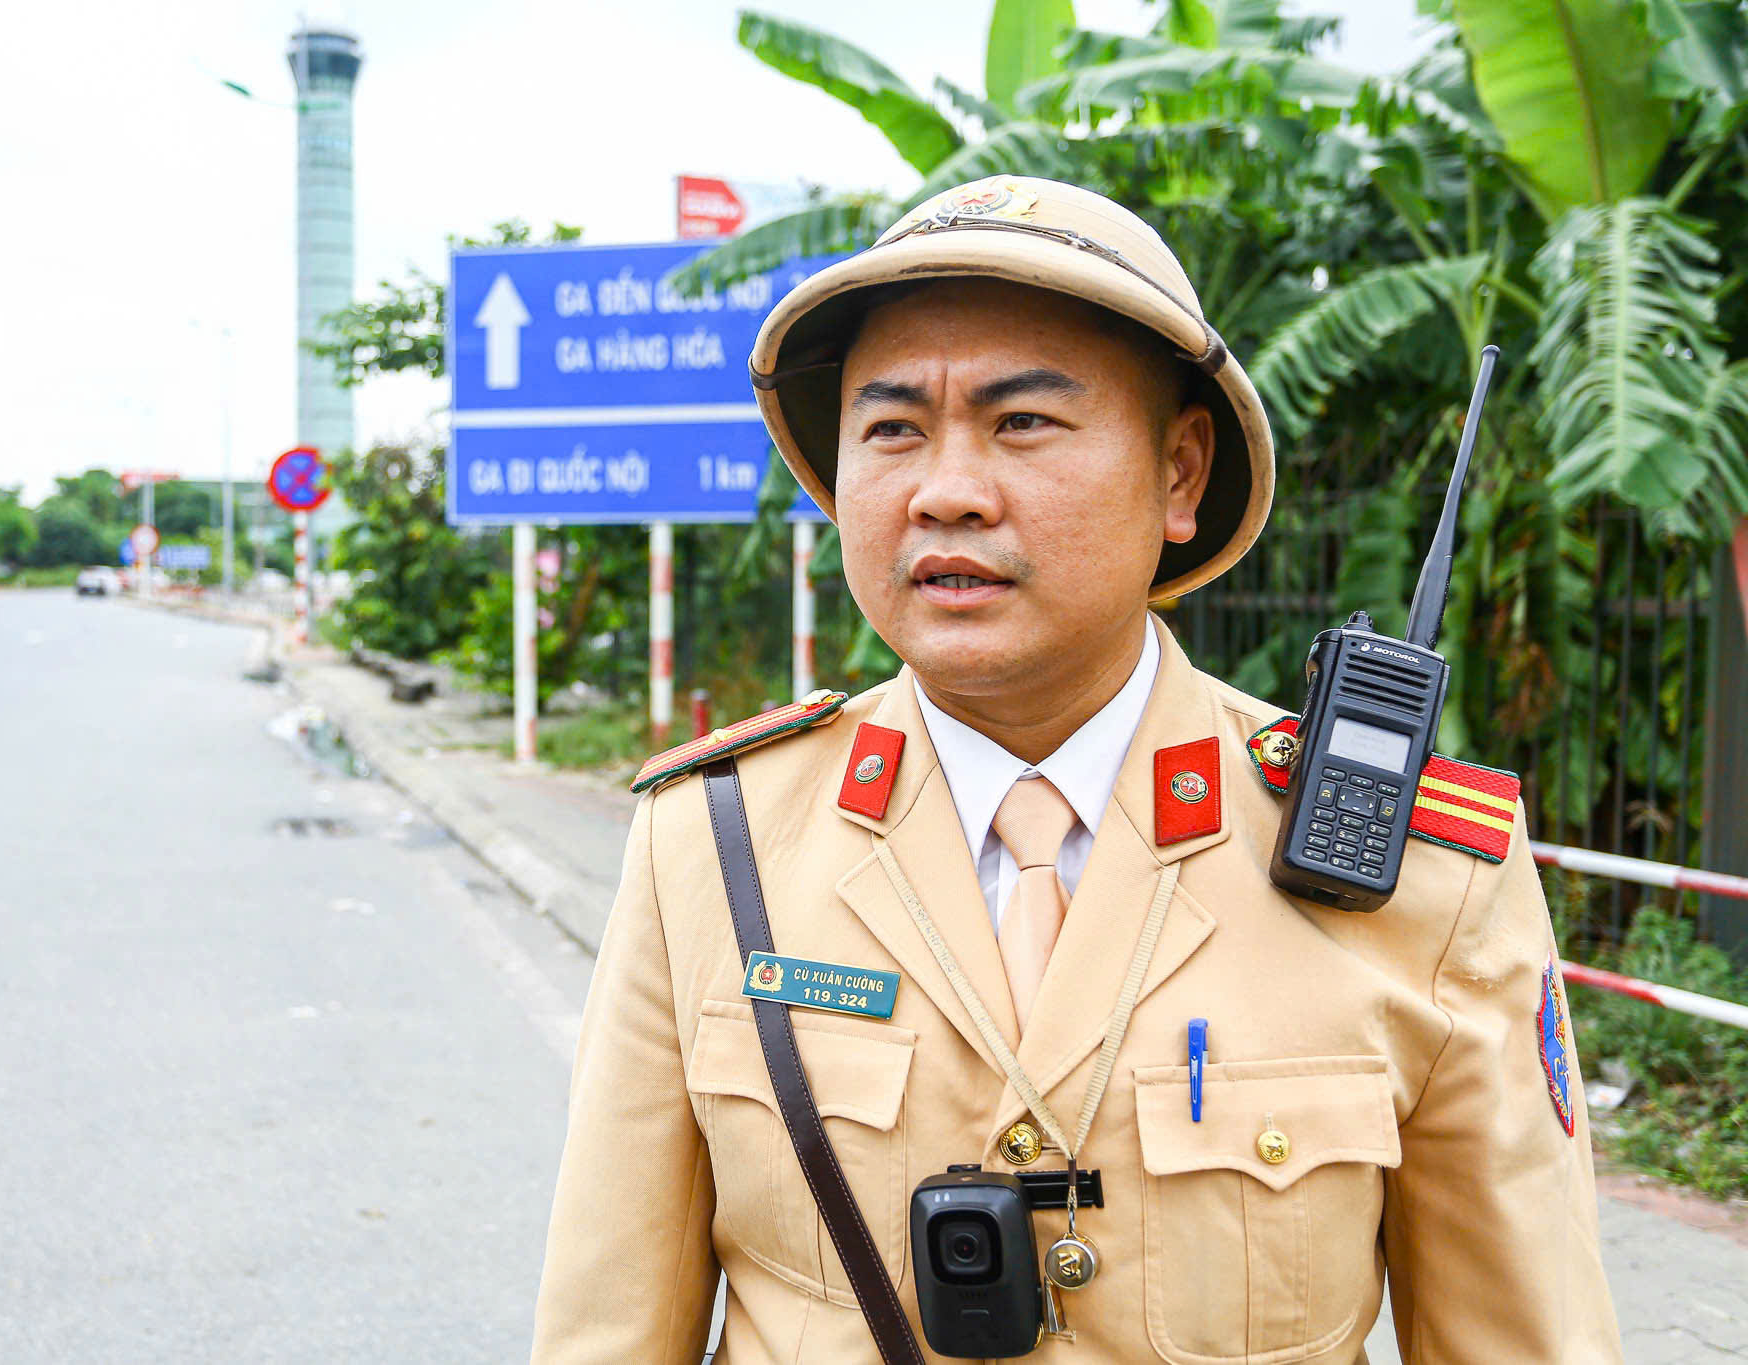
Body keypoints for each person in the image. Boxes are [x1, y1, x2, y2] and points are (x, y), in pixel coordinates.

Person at [530, 176, 1619, 1363]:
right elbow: (605, 1330)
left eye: (1022, 423)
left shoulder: (1430, 878)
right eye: (891, 430)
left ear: (1178, 474)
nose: (945, 493)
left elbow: (1525, 1339)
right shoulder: (714, 841)